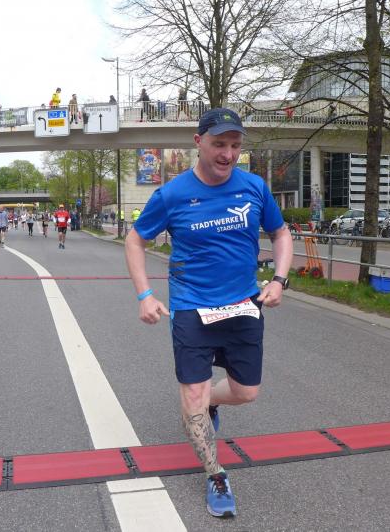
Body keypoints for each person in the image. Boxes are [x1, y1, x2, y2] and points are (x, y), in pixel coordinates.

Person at [124, 107, 292, 518]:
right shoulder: (172, 194)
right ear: (198, 142)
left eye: (235, 145)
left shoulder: (254, 187)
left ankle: (208, 404)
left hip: (243, 305)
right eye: (219, 144)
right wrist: (145, 294)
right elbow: (135, 239)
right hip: (191, 307)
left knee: (246, 392)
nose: (228, 154)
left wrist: (279, 280)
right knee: (193, 396)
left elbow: (281, 232)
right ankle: (216, 474)